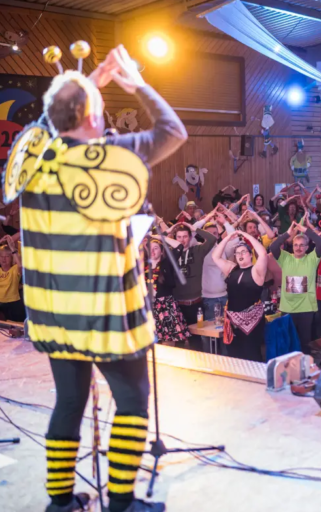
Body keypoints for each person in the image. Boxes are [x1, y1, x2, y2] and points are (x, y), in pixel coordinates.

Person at [7, 44, 187, 512]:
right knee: (132, 402)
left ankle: (60, 503)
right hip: (107, 313)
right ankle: (121, 504)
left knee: (69, 403)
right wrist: (136, 84)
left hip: (53, 313)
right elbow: (173, 131)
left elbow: (42, 123)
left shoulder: (33, 155)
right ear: (91, 116)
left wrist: (82, 89)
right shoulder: (109, 155)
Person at [211, 230, 268, 361]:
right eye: (237, 253)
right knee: (234, 356)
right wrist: (228, 238)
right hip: (233, 321)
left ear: (250, 254)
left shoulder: (256, 271)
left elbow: (263, 254)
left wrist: (245, 234)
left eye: (243, 252)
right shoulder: (232, 269)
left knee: (251, 356)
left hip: (252, 321)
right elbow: (215, 256)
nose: (240, 255)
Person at [270, 222, 321, 353]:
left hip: (306, 308)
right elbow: (273, 246)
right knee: (288, 341)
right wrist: (287, 234)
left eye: (301, 245)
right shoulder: (285, 258)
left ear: (307, 247)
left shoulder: (312, 259)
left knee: (304, 343)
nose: (298, 248)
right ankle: (290, 365)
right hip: (287, 308)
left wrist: (306, 230)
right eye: (295, 245)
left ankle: (304, 364)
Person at [169, 222, 218, 352]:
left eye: (185, 236)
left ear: (190, 237)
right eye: (179, 237)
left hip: (195, 304)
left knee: (196, 341)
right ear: (174, 238)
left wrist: (194, 228)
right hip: (177, 305)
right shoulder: (170, 254)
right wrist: (169, 230)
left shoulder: (197, 251)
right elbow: (158, 242)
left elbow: (212, 239)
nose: (182, 240)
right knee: (178, 341)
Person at [145, 239, 189, 347]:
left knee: (168, 341)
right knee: (151, 343)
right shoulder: (142, 266)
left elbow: (179, 246)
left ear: (161, 251)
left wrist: (160, 236)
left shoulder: (167, 263)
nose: (152, 251)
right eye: (150, 248)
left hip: (166, 307)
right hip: (149, 307)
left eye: (156, 248)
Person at [0, 240, 24, 321]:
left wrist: (13, 248)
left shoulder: (14, 269)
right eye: (1, 256)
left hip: (13, 303)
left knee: (15, 325)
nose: (4, 259)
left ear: (11, 258)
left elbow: (20, 266)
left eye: (7, 256)